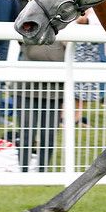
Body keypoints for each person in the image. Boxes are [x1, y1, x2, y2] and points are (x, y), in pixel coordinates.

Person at [16, 41, 65, 172]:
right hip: (27, 87)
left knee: (49, 134)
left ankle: (42, 171)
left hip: (55, 89)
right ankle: (23, 171)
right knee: (27, 132)